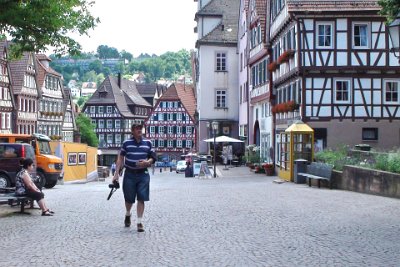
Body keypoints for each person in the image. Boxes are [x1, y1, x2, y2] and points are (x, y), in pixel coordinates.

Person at [112, 122, 156, 232]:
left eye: (140, 128)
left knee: (142, 197)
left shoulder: (148, 143)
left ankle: (139, 222)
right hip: (130, 174)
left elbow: (153, 157)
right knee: (129, 199)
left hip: (143, 174)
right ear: (132, 131)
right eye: (137, 128)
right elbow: (120, 158)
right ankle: (128, 214)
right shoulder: (127, 143)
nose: (139, 130)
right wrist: (116, 174)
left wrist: (147, 162)